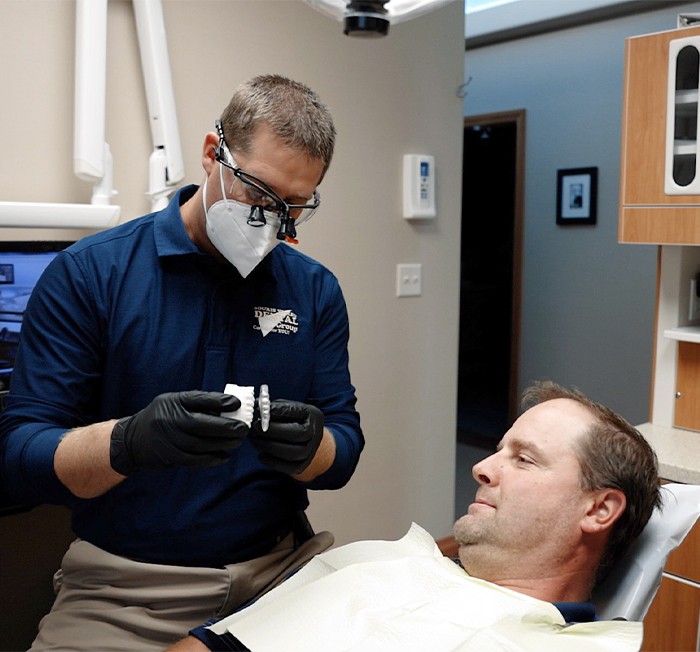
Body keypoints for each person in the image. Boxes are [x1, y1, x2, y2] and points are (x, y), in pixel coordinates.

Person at [0, 74, 364, 651]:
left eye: (294, 207)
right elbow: (19, 457)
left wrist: (312, 446)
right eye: (259, 195)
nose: (274, 224)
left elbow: (343, 451)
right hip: (127, 589)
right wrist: (129, 443)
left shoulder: (314, 290)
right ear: (211, 153)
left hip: (280, 574)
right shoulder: (91, 274)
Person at [168, 380, 660, 651]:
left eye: (524, 458)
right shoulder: (389, 565)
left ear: (598, 509)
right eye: (498, 450)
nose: (482, 467)